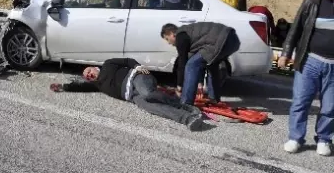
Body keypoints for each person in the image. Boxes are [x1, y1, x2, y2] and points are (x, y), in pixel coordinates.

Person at [50, 58, 204, 131]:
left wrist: (138, 67)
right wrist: (64, 87)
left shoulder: (108, 64)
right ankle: (189, 119)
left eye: (88, 71)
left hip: (138, 78)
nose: (89, 75)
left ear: (94, 67)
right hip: (132, 97)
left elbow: (127, 61)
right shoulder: (98, 85)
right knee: (149, 107)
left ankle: (186, 107)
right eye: (87, 76)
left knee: (148, 94)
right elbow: (81, 87)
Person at [278, 0, 334, 156]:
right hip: (310, 61)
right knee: (301, 102)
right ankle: (295, 138)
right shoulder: (311, 2)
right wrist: (285, 53)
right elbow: (295, 30)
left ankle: (324, 139)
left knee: (330, 106)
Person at [160, 22, 241, 105]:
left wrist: (179, 86)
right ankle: (213, 98)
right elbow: (202, 61)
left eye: (167, 39)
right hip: (232, 40)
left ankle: (186, 103)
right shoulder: (190, 36)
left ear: (171, 34)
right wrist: (200, 83)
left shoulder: (181, 36)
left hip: (222, 39)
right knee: (212, 65)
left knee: (191, 65)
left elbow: (182, 63)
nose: (169, 43)